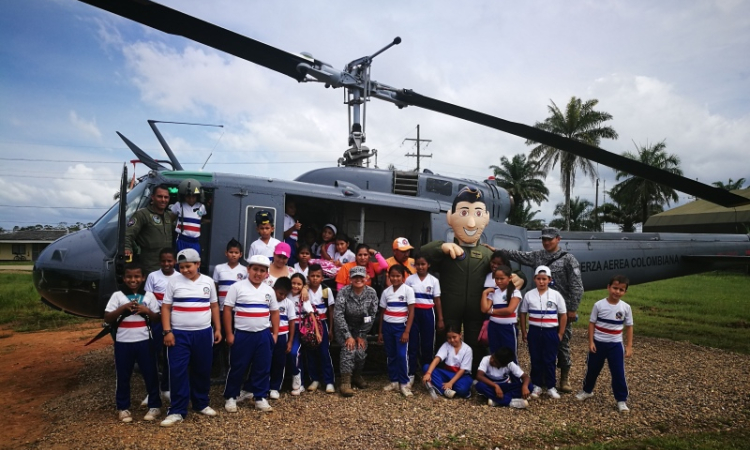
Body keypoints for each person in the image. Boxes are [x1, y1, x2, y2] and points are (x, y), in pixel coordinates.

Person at [498, 226, 584, 393]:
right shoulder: (537, 256)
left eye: (550, 239)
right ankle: (542, 377)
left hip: (559, 309)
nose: (546, 242)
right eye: (544, 239)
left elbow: (576, 285)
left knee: (562, 343)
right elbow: (518, 255)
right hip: (538, 307)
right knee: (539, 346)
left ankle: (564, 377)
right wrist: (496, 250)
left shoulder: (568, 259)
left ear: (558, 239)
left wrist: (572, 308)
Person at [420, 187, 494, 371]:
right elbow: (422, 254)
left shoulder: (486, 254)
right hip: (449, 306)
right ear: (450, 217)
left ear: (486, 217)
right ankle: (441, 370)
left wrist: (519, 278)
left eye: (477, 213)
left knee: (476, 340)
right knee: (445, 336)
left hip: (476, 308)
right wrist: (441, 246)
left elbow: (505, 270)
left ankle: (475, 372)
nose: (470, 223)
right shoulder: (446, 251)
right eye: (463, 213)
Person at [159, 249, 221, 427]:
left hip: (203, 333)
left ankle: (201, 403)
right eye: (182, 267)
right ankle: (177, 410)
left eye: (188, 266)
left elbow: (214, 306)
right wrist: (167, 331)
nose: (185, 270)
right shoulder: (173, 281)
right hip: (179, 334)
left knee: (202, 369)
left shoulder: (208, 282)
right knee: (177, 370)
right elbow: (165, 308)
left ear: (198, 264)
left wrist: (217, 328)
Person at [104, 264, 162, 422]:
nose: (133, 280)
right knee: (123, 375)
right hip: (123, 342)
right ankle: (123, 408)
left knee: (150, 374)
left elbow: (157, 318)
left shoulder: (149, 295)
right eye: (129, 277)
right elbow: (108, 317)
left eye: (137, 277)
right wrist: (123, 308)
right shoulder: (118, 296)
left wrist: (147, 311)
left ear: (143, 278)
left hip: (144, 341)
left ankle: (154, 406)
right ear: (124, 278)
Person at [222, 255, 279, 414]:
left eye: (262, 271)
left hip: (262, 334)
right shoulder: (237, 287)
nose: (258, 273)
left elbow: (274, 312)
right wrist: (229, 333)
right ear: (248, 269)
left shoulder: (268, 290)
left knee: (262, 366)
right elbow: (227, 310)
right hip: (242, 334)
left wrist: (274, 333)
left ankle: (260, 396)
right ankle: (231, 396)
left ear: (267, 273)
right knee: (238, 366)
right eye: (255, 269)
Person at [576, 275, 634, 413]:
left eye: (621, 290)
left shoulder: (626, 307)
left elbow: (629, 327)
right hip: (598, 343)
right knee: (592, 369)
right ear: (608, 287)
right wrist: (591, 342)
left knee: (618, 373)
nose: (617, 292)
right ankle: (587, 391)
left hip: (615, 345)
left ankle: (621, 400)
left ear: (625, 292)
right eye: (614, 288)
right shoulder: (599, 305)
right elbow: (592, 324)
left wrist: (629, 346)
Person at [519, 265, 567, 400]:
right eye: (539, 279)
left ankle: (551, 386)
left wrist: (560, 333)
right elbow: (523, 313)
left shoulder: (556, 295)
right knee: (535, 358)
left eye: (544, 279)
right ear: (534, 279)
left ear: (549, 279)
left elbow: (563, 315)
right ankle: (537, 385)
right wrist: (524, 331)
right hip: (534, 331)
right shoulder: (529, 295)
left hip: (550, 331)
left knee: (550, 359)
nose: (541, 282)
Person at [333, 265, 379, 397]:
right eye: (355, 277)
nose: (358, 279)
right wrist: (348, 336)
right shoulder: (344, 292)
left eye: (361, 277)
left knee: (360, 350)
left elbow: (371, 315)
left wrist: (361, 335)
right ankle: (345, 382)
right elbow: (338, 315)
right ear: (350, 279)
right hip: (344, 328)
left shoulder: (371, 293)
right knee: (349, 349)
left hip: (361, 328)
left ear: (366, 278)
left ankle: (357, 376)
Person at [143, 248, 177, 403]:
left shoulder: (180, 277)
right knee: (154, 355)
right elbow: (148, 299)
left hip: (174, 321)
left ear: (174, 261)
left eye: (169, 261)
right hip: (156, 320)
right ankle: (152, 391)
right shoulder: (153, 276)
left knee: (170, 355)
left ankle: (167, 388)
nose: (166, 264)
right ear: (159, 261)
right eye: (163, 261)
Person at [405, 252, 443, 384]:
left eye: (423, 264)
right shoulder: (410, 279)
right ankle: (411, 373)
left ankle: (427, 372)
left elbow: (437, 301)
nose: (420, 267)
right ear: (414, 265)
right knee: (412, 343)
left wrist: (440, 319)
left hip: (428, 313)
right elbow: (406, 300)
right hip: (413, 314)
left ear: (428, 265)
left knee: (427, 343)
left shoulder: (434, 280)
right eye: (418, 264)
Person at [211, 238, 247, 381]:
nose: (233, 255)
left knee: (235, 341)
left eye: (236, 252)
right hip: (220, 310)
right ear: (226, 253)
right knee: (218, 340)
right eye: (231, 252)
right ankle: (218, 371)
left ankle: (234, 372)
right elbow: (215, 287)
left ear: (241, 254)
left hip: (237, 311)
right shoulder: (219, 268)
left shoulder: (244, 270)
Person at [378, 265, 416, 397]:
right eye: (392, 276)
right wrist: (381, 331)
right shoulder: (386, 292)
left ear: (403, 277)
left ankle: (404, 383)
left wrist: (407, 331)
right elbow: (382, 312)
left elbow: (411, 312)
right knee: (391, 355)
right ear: (389, 276)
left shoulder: (408, 290)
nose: (395, 278)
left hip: (401, 327)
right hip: (388, 326)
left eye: (398, 276)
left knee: (401, 355)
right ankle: (394, 381)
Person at [125, 184, 174, 275]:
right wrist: (127, 249)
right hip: (149, 266)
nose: (163, 200)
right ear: (152, 197)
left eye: (166, 197)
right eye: (159, 196)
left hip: (166, 266)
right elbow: (128, 234)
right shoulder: (142, 215)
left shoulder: (169, 216)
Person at [480, 265, 523, 360]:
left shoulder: (515, 292)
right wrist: (484, 293)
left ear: (510, 278)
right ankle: (497, 374)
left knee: (510, 354)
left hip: (508, 328)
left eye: (502, 278)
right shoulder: (493, 292)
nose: (499, 281)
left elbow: (509, 310)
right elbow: (484, 309)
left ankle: (513, 374)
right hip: (493, 327)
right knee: (494, 353)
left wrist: (492, 311)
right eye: (496, 278)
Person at [304, 264, 336, 394]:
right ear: (308, 277)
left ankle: (329, 381)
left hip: (322, 323)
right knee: (311, 352)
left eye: (318, 276)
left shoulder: (326, 290)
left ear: (322, 277)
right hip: (308, 324)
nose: (315, 278)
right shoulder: (305, 290)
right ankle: (315, 379)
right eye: (312, 276)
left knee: (324, 352)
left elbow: (330, 310)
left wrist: (331, 329)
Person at [421, 325, 473, 399]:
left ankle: (445, 387)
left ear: (460, 335)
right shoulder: (446, 345)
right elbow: (437, 359)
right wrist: (428, 373)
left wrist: (451, 383)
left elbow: (462, 370)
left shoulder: (467, 349)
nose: (452, 340)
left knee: (462, 389)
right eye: (449, 338)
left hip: (461, 376)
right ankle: (446, 390)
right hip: (447, 374)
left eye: (454, 337)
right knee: (426, 367)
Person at [269, 277, 296, 400]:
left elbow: (291, 322)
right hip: (268, 335)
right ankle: (262, 386)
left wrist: (290, 341)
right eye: (280, 293)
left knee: (279, 362)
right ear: (274, 289)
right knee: (265, 361)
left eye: (285, 294)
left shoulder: (288, 303)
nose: (282, 296)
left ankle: (275, 387)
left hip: (282, 336)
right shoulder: (267, 300)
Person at [287, 272, 312, 395]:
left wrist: (317, 332)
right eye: (293, 283)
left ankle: (299, 380)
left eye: (299, 284)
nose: (295, 286)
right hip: (284, 327)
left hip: (298, 328)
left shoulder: (303, 296)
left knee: (294, 353)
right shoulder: (285, 294)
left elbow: (311, 313)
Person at [170, 180, 206, 253]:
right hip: (182, 240)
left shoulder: (201, 207)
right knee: (180, 261)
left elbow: (201, 220)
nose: (191, 199)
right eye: (188, 197)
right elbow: (170, 220)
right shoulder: (178, 205)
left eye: (194, 196)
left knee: (194, 262)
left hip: (195, 241)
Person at [283, 200, 301, 265]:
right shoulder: (286, 217)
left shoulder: (290, 218)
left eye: (294, 207)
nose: (293, 209)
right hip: (288, 243)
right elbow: (284, 234)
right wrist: (294, 227)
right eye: (290, 207)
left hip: (293, 244)